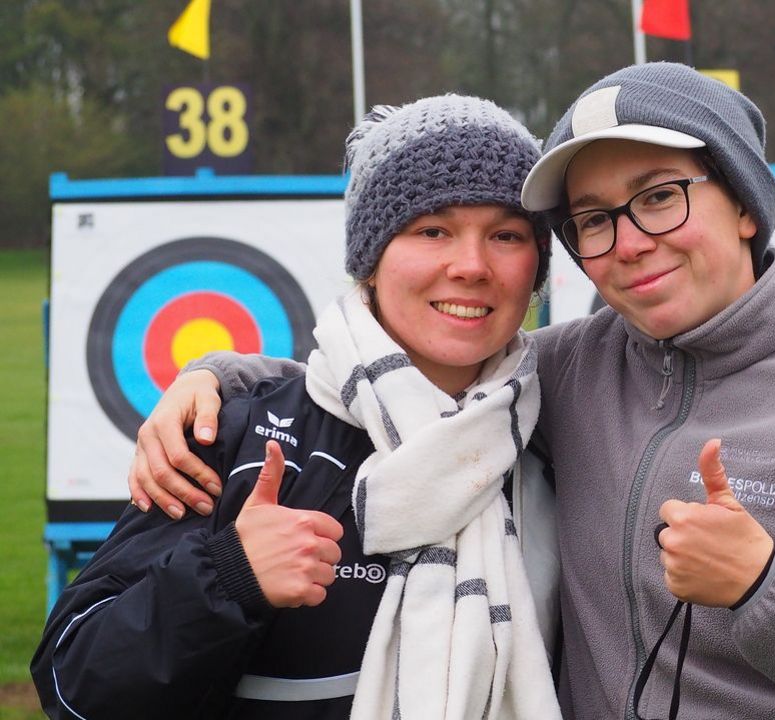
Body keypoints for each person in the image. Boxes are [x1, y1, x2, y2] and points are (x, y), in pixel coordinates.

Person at [127, 63, 775, 719]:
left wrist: (770, 589)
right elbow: (409, 367)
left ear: (744, 203)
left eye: (659, 197)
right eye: (591, 220)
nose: (628, 242)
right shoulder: (571, 370)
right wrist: (219, 377)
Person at [32, 95, 563, 719]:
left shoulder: (563, 432)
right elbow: (75, 684)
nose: (471, 265)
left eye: (506, 235)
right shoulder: (232, 430)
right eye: (432, 230)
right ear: (370, 260)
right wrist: (230, 576)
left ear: (537, 268)